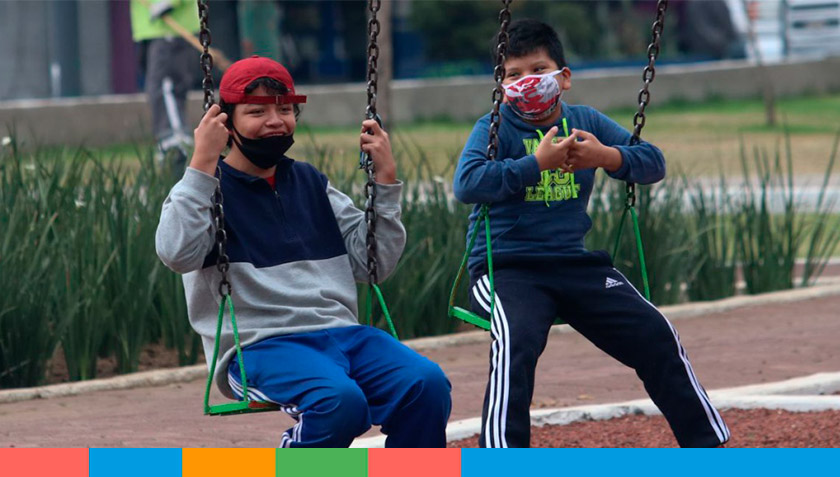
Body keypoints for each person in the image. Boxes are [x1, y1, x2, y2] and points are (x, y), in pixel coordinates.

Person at [453, 19, 730, 448]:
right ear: (501, 86)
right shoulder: (494, 127)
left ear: (563, 77)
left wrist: (606, 156)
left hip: (574, 265)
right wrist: (536, 164)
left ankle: (708, 446)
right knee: (516, 340)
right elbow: (467, 184)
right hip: (506, 268)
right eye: (514, 74)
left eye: (538, 70)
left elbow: (653, 162)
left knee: (656, 333)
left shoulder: (584, 121)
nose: (527, 82)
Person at [155, 56, 451, 448]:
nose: (275, 121)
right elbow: (176, 253)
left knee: (427, 385)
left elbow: (373, 265)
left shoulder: (311, 183)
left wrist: (385, 182)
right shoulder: (205, 189)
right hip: (261, 345)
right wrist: (202, 163)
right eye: (257, 112)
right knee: (339, 403)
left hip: (343, 334)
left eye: (284, 110)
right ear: (225, 123)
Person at [130, 0, 198, 173]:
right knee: (158, 88)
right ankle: (169, 142)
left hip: (170, 24)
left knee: (166, 87)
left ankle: (176, 142)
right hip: (150, 27)